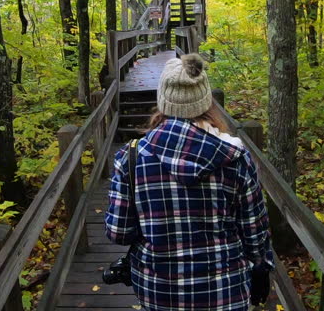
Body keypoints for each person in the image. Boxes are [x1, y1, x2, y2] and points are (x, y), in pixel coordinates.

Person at [105, 53, 273, 310]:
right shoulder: (236, 158)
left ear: (163, 101)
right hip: (225, 291)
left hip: (159, 290)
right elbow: (255, 235)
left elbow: (119, 233)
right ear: (206, 102)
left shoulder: (131, 158)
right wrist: (261, 269)